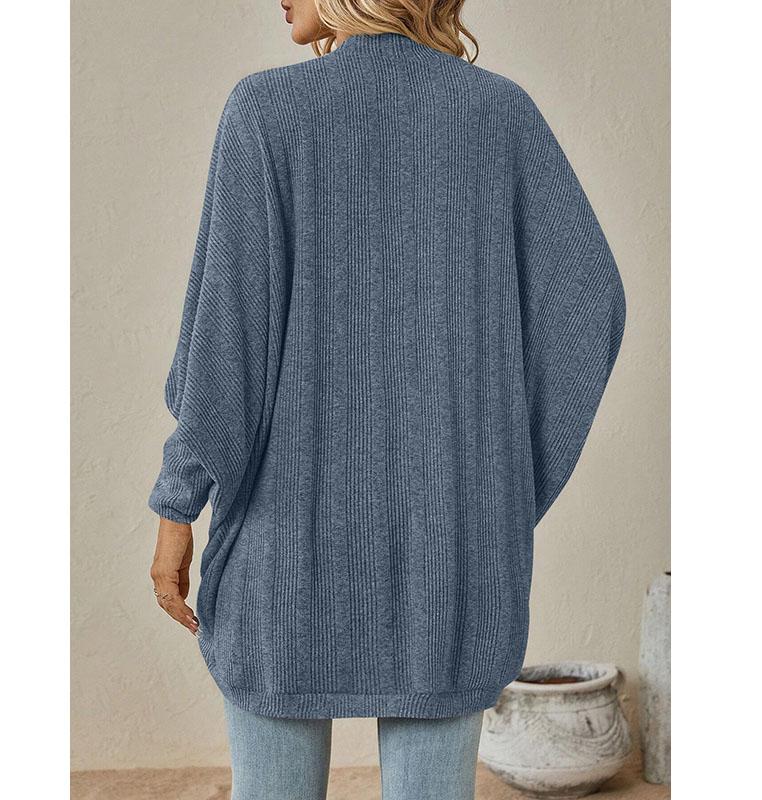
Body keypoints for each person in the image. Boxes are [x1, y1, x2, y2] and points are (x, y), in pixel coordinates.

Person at [147, 1, 627, 798]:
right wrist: (498, 490)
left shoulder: (265, 111)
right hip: (447, 544)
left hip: (285, 548)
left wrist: (176, 508)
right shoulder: (496, 113)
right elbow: (586, 304)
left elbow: (223, 347)